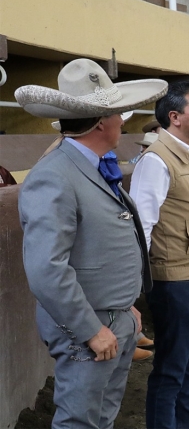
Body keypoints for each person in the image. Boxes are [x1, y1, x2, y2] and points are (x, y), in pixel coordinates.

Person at [15, 58, 166, 428]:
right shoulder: (56, 175)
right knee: (80, 421)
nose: (122, 120)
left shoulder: (86, 165)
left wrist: (123, 308)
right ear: (102, 121)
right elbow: (46, 268)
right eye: (118, 113)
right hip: (89, 327)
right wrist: (91, 329)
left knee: (99, 417)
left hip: (110, 320)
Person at [130, 81, 189, 429]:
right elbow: (141, 229)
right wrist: (134, 290)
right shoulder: (156, 160)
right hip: (177, 283)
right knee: (172, 371)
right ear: (174, 117)